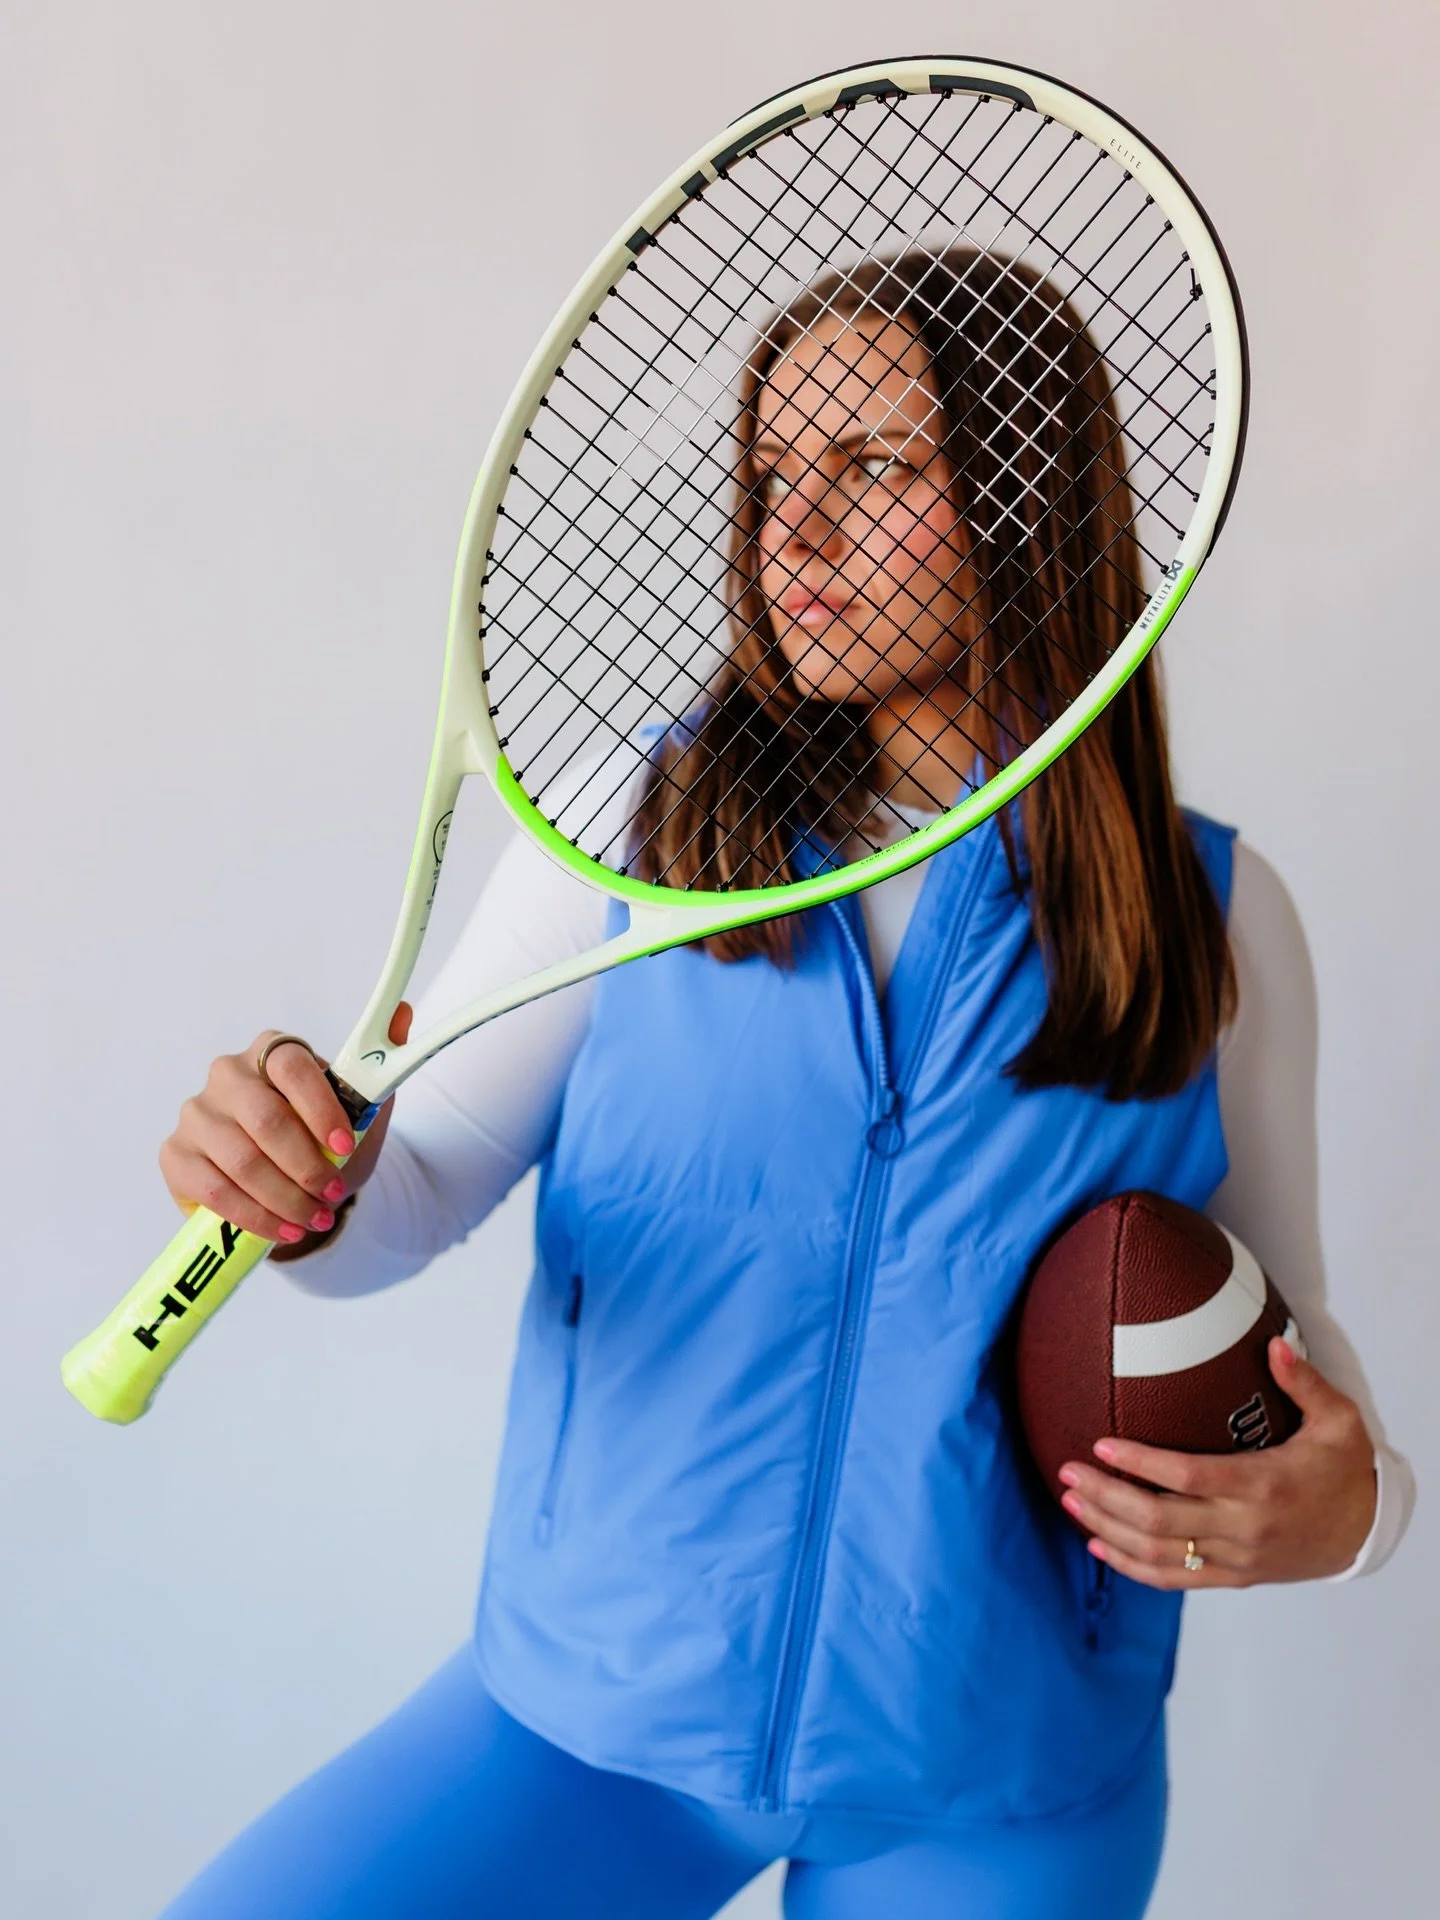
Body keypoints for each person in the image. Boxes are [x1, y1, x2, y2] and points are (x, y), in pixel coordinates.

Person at [156, 250, 1413, 1919]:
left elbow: (1295, 1340)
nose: (791, 534)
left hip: (1000, 1786)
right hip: (588, 1730)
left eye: (873, 466)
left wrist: (1362, 1509)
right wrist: (301, 1187)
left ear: (1030, 506)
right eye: (768, 477)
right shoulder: (628, 835)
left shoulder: (1216, 918)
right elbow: (411, 1189)